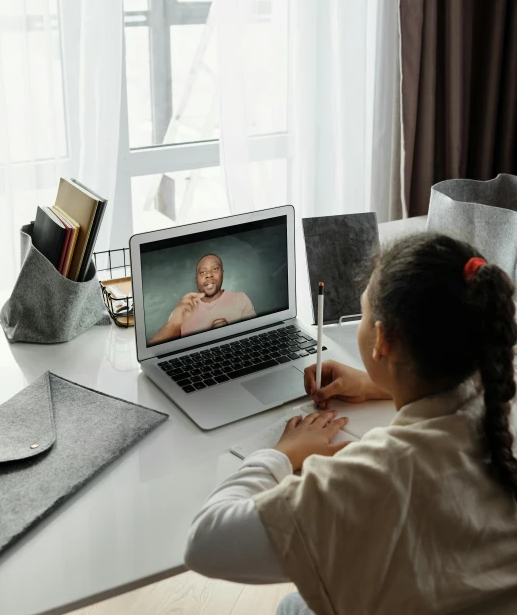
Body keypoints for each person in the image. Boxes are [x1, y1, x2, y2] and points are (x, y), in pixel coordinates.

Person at [185, 233, 517, 614]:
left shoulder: (373, 476)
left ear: (381, 340)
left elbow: (205, 541)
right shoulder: (503, 387)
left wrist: (281, 454)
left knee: (291, 609)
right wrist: (379, 382)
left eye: (363, 313)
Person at [148, 253, 256, 345]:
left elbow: (254, 340)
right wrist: (173, 323)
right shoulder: (184, 308)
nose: (209, 275)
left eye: (215, 269)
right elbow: (156, 352)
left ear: (222, 273)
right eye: (202, 272)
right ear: (197, 279)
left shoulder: (241, 299)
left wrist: (228, 332)